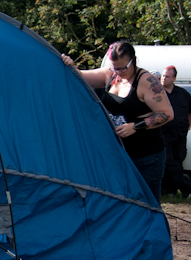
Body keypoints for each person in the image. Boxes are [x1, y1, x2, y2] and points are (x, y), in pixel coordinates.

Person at [62, 42, 173, 201]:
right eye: (115, 67)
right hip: (119, 154)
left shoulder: (147, 82)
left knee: (148, 203)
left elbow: (167, 113)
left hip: (147, 156)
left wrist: (136, 126)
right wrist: (69, 64)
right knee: (122, 201)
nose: (119, 72)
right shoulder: (109, 75)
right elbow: (79, 76)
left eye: (122, 68)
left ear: (133, 61)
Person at [160, 66, 191, 198]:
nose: (164, 79)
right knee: (168, 162)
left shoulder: (182, 93)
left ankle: (173, 190)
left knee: (177, 162)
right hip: (163, 134)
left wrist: (188, 125)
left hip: (180, 134)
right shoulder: (157, 93)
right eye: (163, 76)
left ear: (174, 78)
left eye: (167, 76)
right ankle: (186, 184)